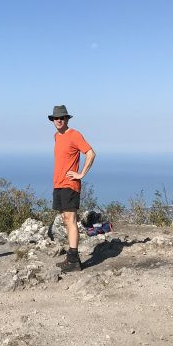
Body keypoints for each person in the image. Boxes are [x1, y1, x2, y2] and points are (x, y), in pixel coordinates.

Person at [48, 105, 96, 272]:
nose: (59, 120)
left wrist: (81, 173)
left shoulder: (74, 135)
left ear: (67, 119)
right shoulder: (56, 136)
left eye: (62, 118)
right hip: (58, 184)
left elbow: (90, 153)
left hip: (70, 184)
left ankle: (74, 260)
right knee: (65, 220)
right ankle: (71, 257)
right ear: (53, 121)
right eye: (56, 118)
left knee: (71, 220)